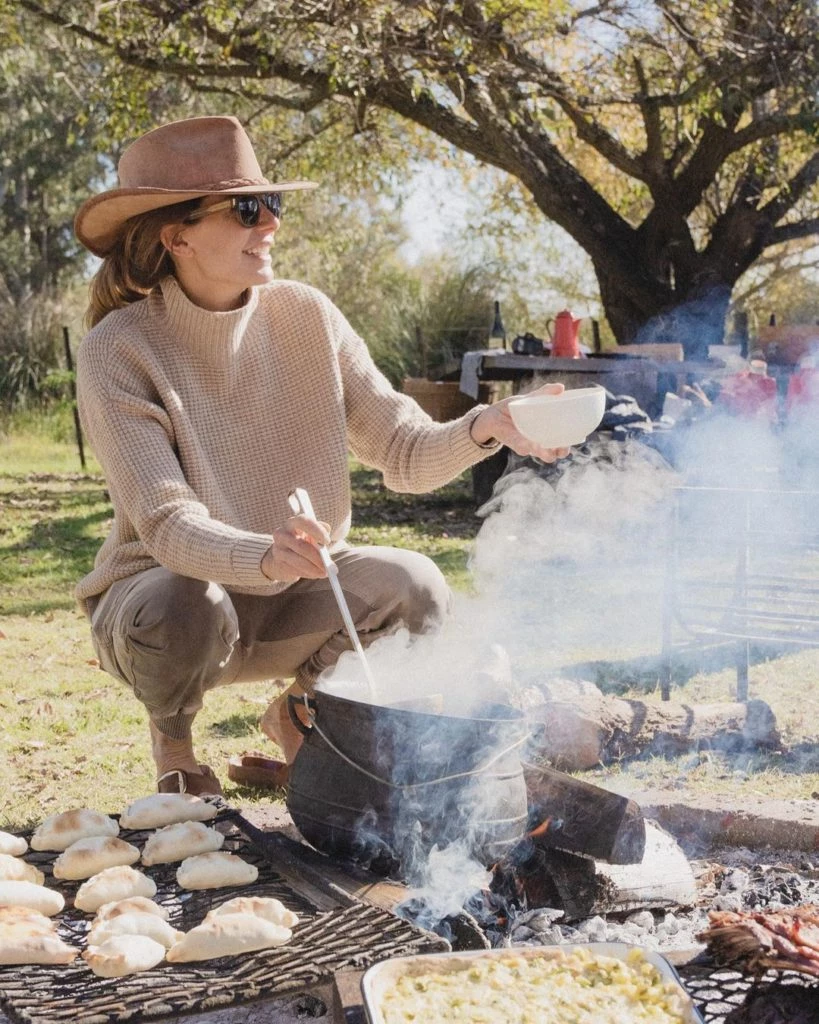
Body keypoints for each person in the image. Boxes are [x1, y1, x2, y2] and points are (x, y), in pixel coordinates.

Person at [73, 115, 569, 797]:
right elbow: (165, 523)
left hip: (292, 593)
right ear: (177, 236)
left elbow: (403, 450)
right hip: (162, 604)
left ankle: (300, 712)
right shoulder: (118, 348)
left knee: (416, 584)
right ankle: (175, 741)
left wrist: (487, 425)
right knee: (184, 597)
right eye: (246, 209)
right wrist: (262, 553)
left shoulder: (306, 315)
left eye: (271, 204)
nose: (269, 223)